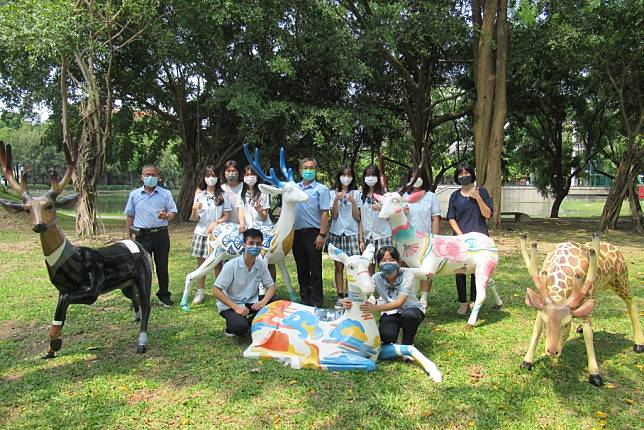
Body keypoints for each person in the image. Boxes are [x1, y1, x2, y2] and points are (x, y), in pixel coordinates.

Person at [343, 246, 425, 345]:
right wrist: (347, 300)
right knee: (386, 337)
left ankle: (408, 343)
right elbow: (361, 291)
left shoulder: (407, 275)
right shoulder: (376, 277)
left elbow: (399, 303)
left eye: (391, 260)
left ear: (398, 262)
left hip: (411, 309)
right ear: (379, 264)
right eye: (384, 260)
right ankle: (395, 334)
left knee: (409, 316)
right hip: (390, 311)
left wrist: (375, 308)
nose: (387, 263)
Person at [125, 164, 178, 307]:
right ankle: (141, 296)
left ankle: (164, 295)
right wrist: (129, 237)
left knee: (162, 266)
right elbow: (130, 215)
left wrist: (166, 216)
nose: (150, 177)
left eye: (153, 175)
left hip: (161, 235)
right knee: (141, 268)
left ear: (158, 177)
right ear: (142, 177)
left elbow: (173, 213)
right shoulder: (134, 195)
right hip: (142, 236)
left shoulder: (165, 194)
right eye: (147, 174)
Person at [447, 163, 493, 315]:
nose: (463, 176)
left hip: (480, 240)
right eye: (460, 174)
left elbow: (488, 214)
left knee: (476, 271)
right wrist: (461, 236)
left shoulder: (482, 191)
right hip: (459, 240)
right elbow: (451, 218)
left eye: (466, 173)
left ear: (472, 174)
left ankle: (474, 300)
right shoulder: (454, 196)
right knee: (460, 271)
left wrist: (478, 198)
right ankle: (462, 302)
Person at [213, 228, 276, 336]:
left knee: (277, 303)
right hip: (230, 305)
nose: (255, 247)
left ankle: (250, 322)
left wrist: (263, 302)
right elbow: (216, 290)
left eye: (258, 243)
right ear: (244, 245)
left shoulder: (261, 264)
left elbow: (271, 286)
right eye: (251, 243)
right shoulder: (231, 265)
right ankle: (236, 324)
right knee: (240, 327)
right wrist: (236, 307)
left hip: (251, 302)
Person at [189, 165, 231, 305]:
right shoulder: (199, 195)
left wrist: (217, 222)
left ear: (218, 177)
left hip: (217, 235)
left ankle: (220, 292)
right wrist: (195, 210)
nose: (210, 178)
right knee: (201, 265)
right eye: (208, 175)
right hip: (201, 233)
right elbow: (194, 218)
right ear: (204, 177)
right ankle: (200, 292)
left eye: (213, 175)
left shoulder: (223, 194)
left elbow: (227, 215)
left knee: (217, 264)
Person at [292, 157, 330, 307]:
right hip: (296, 234)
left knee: (315, 270)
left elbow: (325, 213)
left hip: (314, 234)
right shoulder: (294, 188)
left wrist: (322, 234)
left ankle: (316, 302)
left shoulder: (322, 189)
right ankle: (304, 301)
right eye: (305, 168)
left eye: (311, 168)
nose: (308, 170)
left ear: (315, 170)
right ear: (300, 170)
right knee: (301, 269)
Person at [402, 168, 441, 307]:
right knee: (406, 267)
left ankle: (424, 297)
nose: (416, 178)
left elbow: (435, 218)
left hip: (426, 239)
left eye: (418, 176)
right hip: (407, 240)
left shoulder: (430, 196)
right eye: (412, 176)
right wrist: (403, 212)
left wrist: (434, 238)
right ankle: (407, 295)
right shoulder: (404, 197)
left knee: (426, 268)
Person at [328, 165, 361, 309]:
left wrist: (353, 202)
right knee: (338, 267)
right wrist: (335, 200)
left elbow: (358, 217)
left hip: (352, 233)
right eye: (344, 174)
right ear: (339, 176)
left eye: (349, 175)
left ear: (352, 177)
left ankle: (351, 295)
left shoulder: (357, 193)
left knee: (352, 266)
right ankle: (340, 296)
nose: (346, 177)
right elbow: (333, 216)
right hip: (337, 233)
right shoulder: (332, 192)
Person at [237, 165, 275, 280]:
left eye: (252, 174)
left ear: (257, 176)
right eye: (247, 175)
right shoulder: (241, 193)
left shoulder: (263, 193)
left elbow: (264, 216)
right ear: (243, 177)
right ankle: (253, 287)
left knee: (268, 261)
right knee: (250, 259)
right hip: (250, 231)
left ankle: (269, 287)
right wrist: (242, 224)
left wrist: (259, 209)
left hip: (264, 230)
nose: (250, 177)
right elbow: (241, 211)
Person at [358, 164, 393, 275]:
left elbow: (392, 215)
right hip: (368, 237)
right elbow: (360, 220)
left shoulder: (385, 196)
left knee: (386, 266)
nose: (370, 178)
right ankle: (371, 291)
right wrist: (361, 240)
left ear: (378, 177)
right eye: (368, 175)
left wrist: (381, 208)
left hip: (383, 235)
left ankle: (386, 291)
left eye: (373, 175)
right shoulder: (361, 196)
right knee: (369, 266)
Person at [221, 160, 243, 224]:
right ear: (224, 173)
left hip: (244, 225)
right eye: (228, 171)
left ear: (239, 172)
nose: (231, 173)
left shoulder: (244, 187)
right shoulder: (221, 189)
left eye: (234, 171)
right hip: (227, 225)